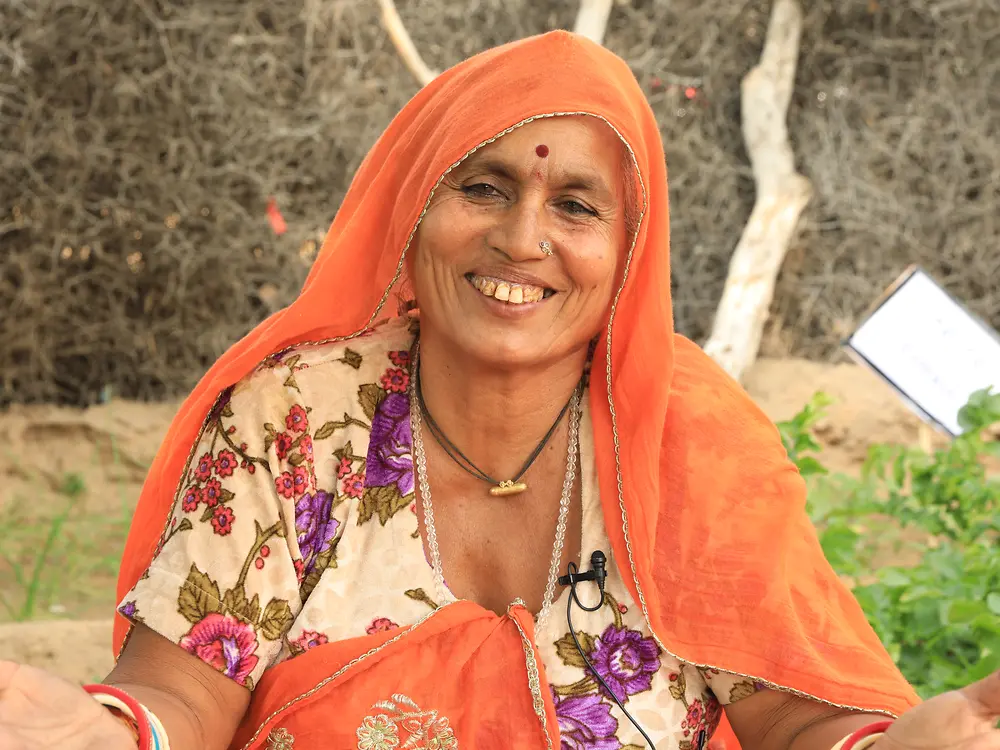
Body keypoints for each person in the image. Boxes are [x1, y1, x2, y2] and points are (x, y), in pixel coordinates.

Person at [1, 30, 998, 750]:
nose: (523, 238)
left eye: (573, 204)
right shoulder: (295, 418)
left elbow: (797, 717)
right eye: (482, 188)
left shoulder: (686, 441)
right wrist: (98, 733)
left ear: (627, 250)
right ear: (415, 206)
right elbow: (183, 696)